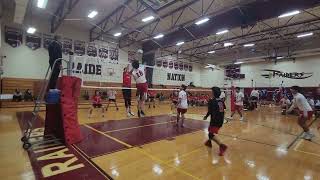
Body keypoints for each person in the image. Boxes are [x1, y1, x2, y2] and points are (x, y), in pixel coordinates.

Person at [203, 87, 228, 156]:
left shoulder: (212, 100)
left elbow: (210, 111)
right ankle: (209, 142)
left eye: (212, 91)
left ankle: (222, 146)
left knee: (211, 134)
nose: (211, 92)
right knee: (210, 131)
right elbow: (224, 108)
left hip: (215, 120)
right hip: (220, 119)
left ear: (213, 92)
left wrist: (206, 116)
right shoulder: (221, 100)